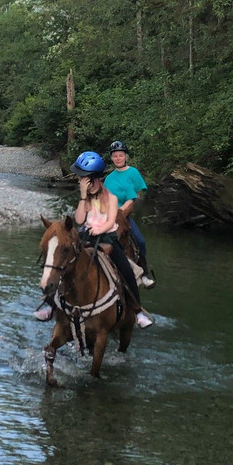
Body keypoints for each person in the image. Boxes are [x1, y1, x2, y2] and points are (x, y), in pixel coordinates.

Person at [70, 151, 150, 327]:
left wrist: (98, 229)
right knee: (65, 260)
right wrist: (83, 196)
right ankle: (55, 304)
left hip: (107, 236)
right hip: (86, 234)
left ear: (93, 178)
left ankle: (137, 311)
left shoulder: (110, 197)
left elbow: (111, 221)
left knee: (125, 269)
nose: (79, 180)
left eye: (82, 178)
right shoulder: (87, 196)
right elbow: (78, 219)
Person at [103, 140, 155, 288]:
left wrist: (121, 213)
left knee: (140, 240)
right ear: (112, 158)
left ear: (125, 156)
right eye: (115, 156)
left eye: (120, 155)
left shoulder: (132, 172)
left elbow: (134, 197)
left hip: (124, 215)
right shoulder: (109, 178)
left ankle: (144, 273)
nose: (118, 158)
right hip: (109, 216)